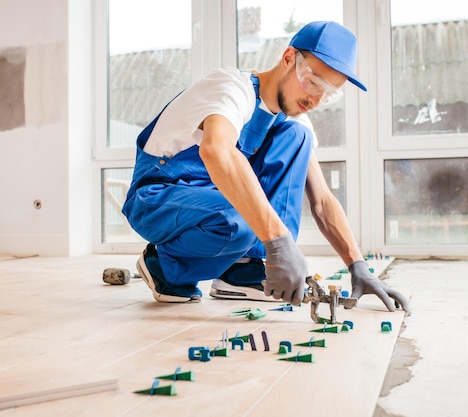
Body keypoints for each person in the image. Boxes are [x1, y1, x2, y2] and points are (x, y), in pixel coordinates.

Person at [122, 21, 410, 313]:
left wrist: (358, 265)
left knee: (299, 137)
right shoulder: (232, 88)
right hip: (156, 199)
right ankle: (163, 265)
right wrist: (280, 243)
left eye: (329, 92)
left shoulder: (295, 120)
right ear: (288, 59)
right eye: (313, 82)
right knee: (238, 219)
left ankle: (242, 270)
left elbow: (322, 200)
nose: (316, 99)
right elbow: (216, 150)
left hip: (213, 202)